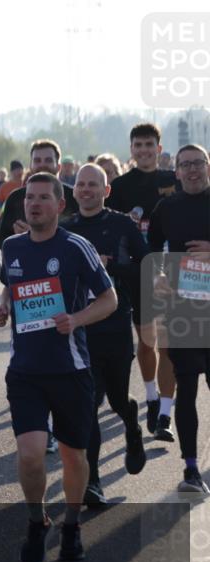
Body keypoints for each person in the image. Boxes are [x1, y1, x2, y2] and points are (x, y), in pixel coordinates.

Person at [0, 173, 117, 562]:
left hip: (70, 369)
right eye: (30, 197)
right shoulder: (11, 247)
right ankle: (36, 520)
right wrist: (3, 308)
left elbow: (109, 299)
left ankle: (73, 524)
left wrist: (77, 319)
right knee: (30, 455)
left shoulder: (76, 246)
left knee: (73, 456)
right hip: (25, 371)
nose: (34, 204)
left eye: (44, 198)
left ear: (60, 206)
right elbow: (10, 287)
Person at [65, 164, 149, 507]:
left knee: (117, 400)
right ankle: (93, 483)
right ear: (74, 192)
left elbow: (147, 266)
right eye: (81, 185)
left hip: (115, 325)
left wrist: (107, 266)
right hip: (83, 330)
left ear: (106, 190)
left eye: (93, 185)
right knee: (89, 405)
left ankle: (133, 427)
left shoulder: (121, 224)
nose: (86, 190)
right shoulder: (66, 230)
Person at [106, 123, 181, 441]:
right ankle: (150, 396)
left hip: (171, 273)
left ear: (159, 149)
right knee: (147, 342)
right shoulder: (121, 185)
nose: (144, 150)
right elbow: (111, 229)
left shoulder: (173, 181)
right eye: (138, 145)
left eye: (149, 145)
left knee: (168, 344)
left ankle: (165, 414)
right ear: (131, 149)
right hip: (136, 273)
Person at [148, 144, 210, 495]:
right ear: (177, 171)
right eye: (185, 165)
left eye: (198, 163)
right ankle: (190, 469)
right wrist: (157, 275)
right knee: (187, 389)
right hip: (184, 312)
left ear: (207, 166)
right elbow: (153, 249)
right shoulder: (166, 208)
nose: (192, 170)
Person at [0, 140, 80, 244]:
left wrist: (36, 235)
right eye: (37, 160)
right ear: (31, 166)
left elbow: (82, 236)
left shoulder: (74, 197)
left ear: (58, 167)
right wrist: (22, 238)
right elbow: (3, 242)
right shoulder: (15, 198)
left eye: (48, 160)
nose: (42, 165)